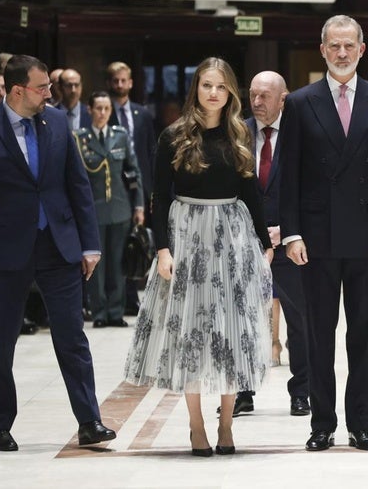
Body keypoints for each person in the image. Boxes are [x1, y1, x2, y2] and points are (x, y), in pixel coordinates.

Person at [123, 57, 274, 457]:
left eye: (221, 86)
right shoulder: (173, 135)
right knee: (190, 334)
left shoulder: (240, 132)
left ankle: (226, 423)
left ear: (230, 93)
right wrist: (163, 249)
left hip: (232, 237)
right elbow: (158, 198)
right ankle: (195, 425)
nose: (213, 93)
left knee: (229, 331)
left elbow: (252, 193)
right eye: (207, 85)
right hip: (187, 236)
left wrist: (264, 243)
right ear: (196, 89)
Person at [0, 54, 116, 451]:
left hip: (59, 244)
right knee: (0, 341)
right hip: (5, 249)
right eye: (42, 87)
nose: (50, 93)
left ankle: (90, 421)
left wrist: (89, 244)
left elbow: (78, 185)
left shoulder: (58, 124)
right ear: (18, 91)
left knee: (72, 337)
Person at [279, 14, 368, 452]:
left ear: (362, 49)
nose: (342, 52)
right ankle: (322, 423)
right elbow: (287, 175)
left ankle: (361, 424)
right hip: (315, 238)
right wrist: (291, 234)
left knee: (363, 335)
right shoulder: (299, 102)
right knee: (319, 334)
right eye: (334, 45)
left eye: (349, 45)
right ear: (322, 50)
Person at [232, 70, 310, 418]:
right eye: (253, 95)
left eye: (265, 96)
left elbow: (313, 192)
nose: (257, 102)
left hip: (291, 245)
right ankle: (243, 391)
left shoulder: (301, 135)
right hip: (244, 244)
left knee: (300, 318)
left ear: (284, 98)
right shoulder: (237, 133)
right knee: (243, 319)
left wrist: (287, 231)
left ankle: (302, 392)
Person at [73, 91, 144, 328]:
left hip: (120, 208)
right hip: (92, 210)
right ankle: (99, 312)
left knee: (117, 263)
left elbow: (134, 172)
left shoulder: (120, 136)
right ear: (89, 110)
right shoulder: (79, 139)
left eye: (106, 109)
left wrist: (139, 205)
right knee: (96, 265)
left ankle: (116, 311)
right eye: (98, 108)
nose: (102, 113)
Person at [106, 61, 157, 315]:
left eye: (124, 80)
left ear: (131, 82)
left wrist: (151, 191)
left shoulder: (143, 114)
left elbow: (150, 153)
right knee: (118, 245)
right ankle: (124, 297)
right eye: (115, 80)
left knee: (138, 241)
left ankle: (136, 291)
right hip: (114, 186)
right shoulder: (104, 111)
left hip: (141, 187)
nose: (120, 85)